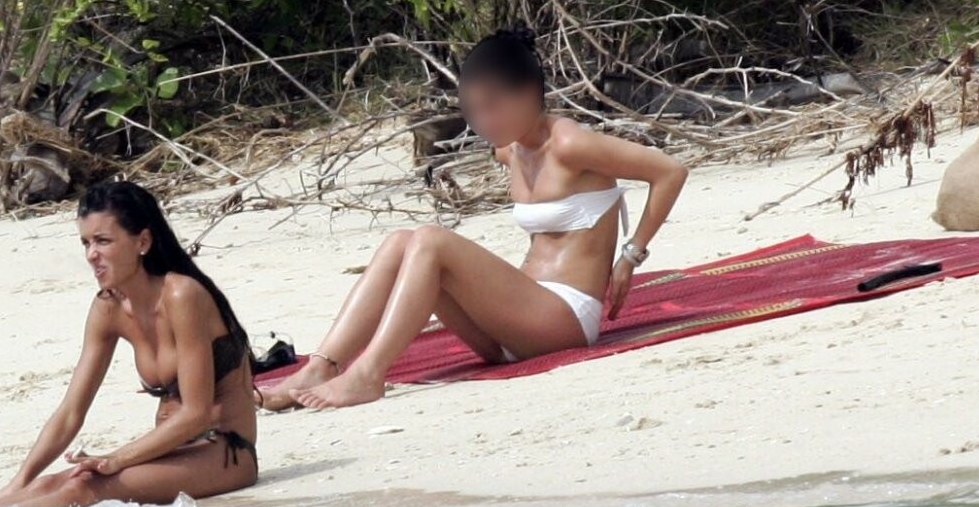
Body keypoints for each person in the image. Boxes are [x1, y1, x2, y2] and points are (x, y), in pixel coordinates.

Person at [260, 26, 688, 411]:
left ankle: (369, 374)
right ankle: (321, 366)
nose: (482, 122)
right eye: (473, 110)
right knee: (401, 241)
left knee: (431, 240)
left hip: (565, 320)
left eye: (492, 108)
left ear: (528, 95)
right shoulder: (510, 150)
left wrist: (630, 255)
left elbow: (670, 172)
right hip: (510, 328)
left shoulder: (571, 143)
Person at [0, 181, 258, 507]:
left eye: (103, 241)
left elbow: (195, 413)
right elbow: (70, 413)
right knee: (53, 483)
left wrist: (116, 459)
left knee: (82, 487)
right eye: (86, 242)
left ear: (142, 241)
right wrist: (19, 482)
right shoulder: (108, 308)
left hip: (226, 453)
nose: (91, 255)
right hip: (171, 451)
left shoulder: (182, 295)